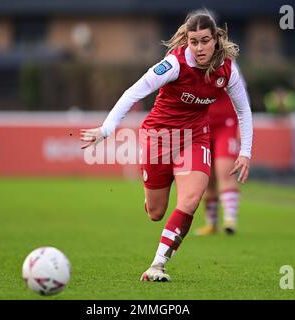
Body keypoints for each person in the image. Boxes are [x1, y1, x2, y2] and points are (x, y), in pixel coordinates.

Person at [81, 10, 253, 282]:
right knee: (156, 212)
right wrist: (106, 128)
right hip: (160, 137)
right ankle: (152, 197)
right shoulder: (173, 64)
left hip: (194, 137)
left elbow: (243, 111)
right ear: (187, 40)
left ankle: (157, 265)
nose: (199, 48)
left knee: (190, 200)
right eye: (193, 41)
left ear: (216, 40)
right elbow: (133, 92)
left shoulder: (227, 69)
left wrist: (245, 152)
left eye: (205, 41)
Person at [195, 90, 243, 236]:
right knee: (207, 178)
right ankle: (211, 223)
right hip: (201, 126)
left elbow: (242, 97)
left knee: (225, 172)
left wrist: (242, 127)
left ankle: (230, 220)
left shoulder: (228, 69)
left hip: (226, 126)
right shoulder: (191, 69)